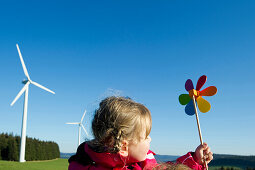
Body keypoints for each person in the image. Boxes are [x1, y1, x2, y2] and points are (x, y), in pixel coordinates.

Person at [68, 96, 213, 170]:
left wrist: (195, 160)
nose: (150, 139)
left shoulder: (139, 161)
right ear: (124, 147)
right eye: (145, 136)